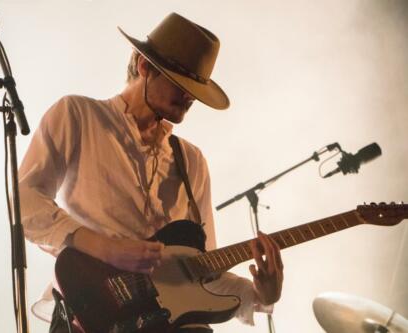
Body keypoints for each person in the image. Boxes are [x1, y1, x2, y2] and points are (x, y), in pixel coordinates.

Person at [18, 12, 284, 333]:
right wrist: (103, 247)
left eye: (195, 90)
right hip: (90, 318)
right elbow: (25, 203)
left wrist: (260, 294)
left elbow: (201, 273)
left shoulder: (192, 161)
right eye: (181, 84)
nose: (189, 97)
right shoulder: (78, 115)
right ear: (144, 67)